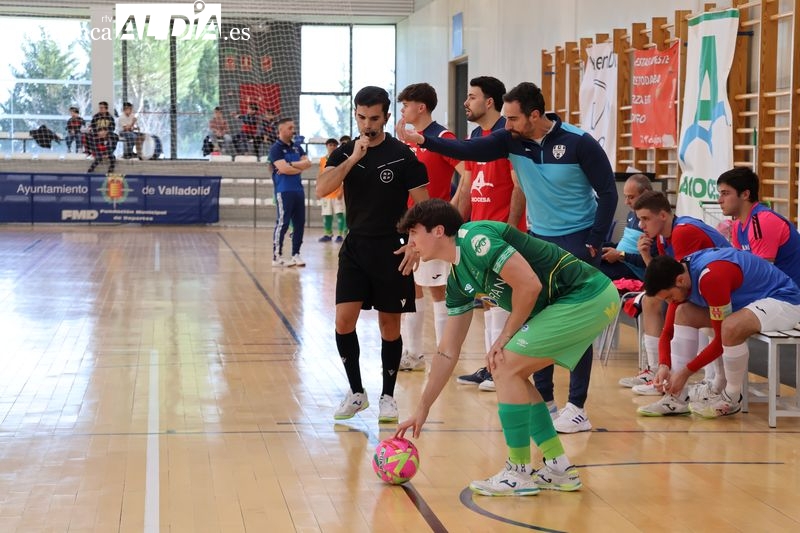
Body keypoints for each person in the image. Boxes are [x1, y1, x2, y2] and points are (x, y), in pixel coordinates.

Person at [397, 81, 617, 433]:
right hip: (540, 235)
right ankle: (546, 401)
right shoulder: (511, 139)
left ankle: (577, 407)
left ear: (535, 115)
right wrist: (424, 140)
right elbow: (468, 149)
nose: (507, 125)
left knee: (574, 322)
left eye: (513, 119)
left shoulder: (579, 142)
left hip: (578, 237)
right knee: (539, 316)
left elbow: (607, 192)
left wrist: (595, 240)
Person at [395, 199, 618, 495]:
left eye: (414, 233)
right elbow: (447, 351)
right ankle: (558, 468)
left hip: (587, 295)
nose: (410, 243)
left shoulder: (475, 239)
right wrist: (422, 407)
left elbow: (529, 285)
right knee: (510, 370)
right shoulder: (458, 280)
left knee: (503, 364)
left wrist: (504, 336)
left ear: (438, 231)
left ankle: (518, 472)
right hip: (577, 302)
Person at [316, 85, 429, 423]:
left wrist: (415, 243)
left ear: (386, 117)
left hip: (392, 249)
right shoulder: (344, 153)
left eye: (375, 118)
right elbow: (322, 188)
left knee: (389, 326)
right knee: (343, 321)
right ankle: (356, 392)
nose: (368, 125)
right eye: (362, 117)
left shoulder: (403, 155)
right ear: (356, 115)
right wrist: (353, 159)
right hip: (355, 248)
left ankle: (388, 396)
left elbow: (424, 207)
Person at [642, 249, 800, 418]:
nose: (669, 302)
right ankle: (677, 396)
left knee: (730, 327)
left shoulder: (711, 278)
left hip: (784, 300)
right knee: (683, 312)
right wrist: (664, 365)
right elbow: (667, 332)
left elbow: (719, 343)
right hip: (753, 300)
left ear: (680, 280)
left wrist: (685, 373)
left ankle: (732, 397)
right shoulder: (680, 275)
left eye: (669, 297)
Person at [450, 76, 529, 392]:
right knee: (489, 301)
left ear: (490, 102)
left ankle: (502, 368)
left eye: (472, 97)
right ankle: (492, 366)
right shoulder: (475, 137)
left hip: (502, 232)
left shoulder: (505, 137)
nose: (466, 102)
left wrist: (510, 229)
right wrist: (456, 227)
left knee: (502, 300)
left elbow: (519, 186)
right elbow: (467, 186)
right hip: (478, 232)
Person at [631, 190, 732, 410]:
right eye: (639, 219)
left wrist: (682, 371)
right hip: (707, 290)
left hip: (729, 294)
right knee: (657, 301)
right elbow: (663, 281)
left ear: (663, 215)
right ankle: (663, 376)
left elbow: (677, 285)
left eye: (645, 218)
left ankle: (698, 386)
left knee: (681, 310)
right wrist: (646, 256)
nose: (641, 225)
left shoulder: (683, 233)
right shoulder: (663, 236)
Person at [396, 82, 465, 372]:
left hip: (433, 227)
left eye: (406, 105)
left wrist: (450, 211)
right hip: (409, 224)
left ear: (421, 107)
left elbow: (467, 173)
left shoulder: (442, 137)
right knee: (410, 286)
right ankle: (413, 354)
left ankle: (443, 355)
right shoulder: (408, 141)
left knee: (438, 290)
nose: (402, 110)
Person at [717, 167, 800, 286]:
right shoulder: (737, 225)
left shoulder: (762, 222)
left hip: (791, 292)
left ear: (745, 194)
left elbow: (762, 277)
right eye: (720, 194)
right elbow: (743, 268)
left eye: (725, 193)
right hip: (777, 289)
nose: (719, 200)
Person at [269, 118, 312, 267]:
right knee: (283, 223)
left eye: (293, 127)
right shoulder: (275, 149)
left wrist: (291, 165)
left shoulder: (297, 147)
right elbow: (284, 169)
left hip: (298, 190)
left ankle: (296, 254)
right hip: (284, 191)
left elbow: (308, 163)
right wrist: (298, 167)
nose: (293, 130)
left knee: (299, 223)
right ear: (281, 130)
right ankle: (277, 256)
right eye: (290, 128)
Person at [598, 173, 653, 281]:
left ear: (645, 194)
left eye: (631, 197)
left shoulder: (652, 222)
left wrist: (620, 255)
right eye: (626, 197)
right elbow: (628, 244)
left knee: (590, 272)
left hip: (634, 270)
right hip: (621, 260)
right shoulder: (631, 214)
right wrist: (608, 248)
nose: (626, 202)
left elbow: (650, 260)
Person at [317, 138, 347, 243]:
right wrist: (318, 188)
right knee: (327, 214)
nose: (332, 147)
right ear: (326, 146)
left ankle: (340, 234)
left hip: (337, 191)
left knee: (340, 213)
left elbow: (344, 174)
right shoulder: (322, 160)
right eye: (330, 145)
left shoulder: (341, 158)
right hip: (326, 192)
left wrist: (341, 190)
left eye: (334, 145)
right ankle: (328, 234)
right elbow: (320, 174)